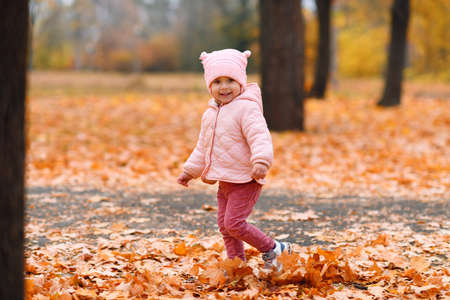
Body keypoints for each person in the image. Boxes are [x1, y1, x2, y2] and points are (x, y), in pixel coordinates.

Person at [177, 49, 291, 270]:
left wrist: (261, 161)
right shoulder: (210, 113)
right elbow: (203, 147)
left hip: (246, 179)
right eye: (217, 81)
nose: (224, 87)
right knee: (224, 226)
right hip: (225, 180)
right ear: (210, 86)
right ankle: (237, 264)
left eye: (230, 80)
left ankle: (274, 248)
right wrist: (189, 171)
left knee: (234, 224)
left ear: (241, 81)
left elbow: (260, 136)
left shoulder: (247, 108)